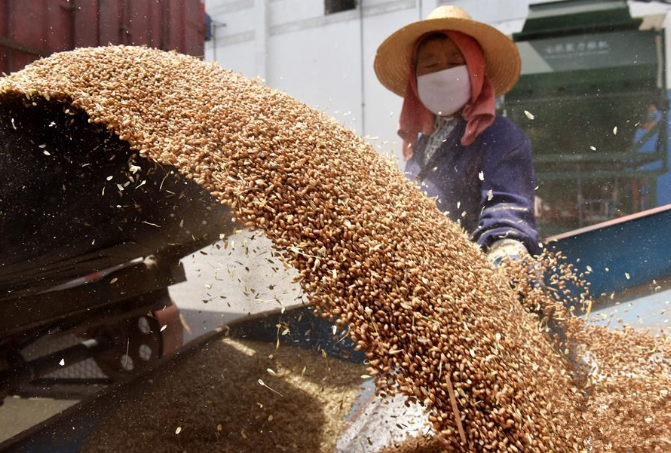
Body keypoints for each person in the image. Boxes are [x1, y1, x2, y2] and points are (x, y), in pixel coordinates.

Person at [374, 6, 540, 265]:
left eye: (454, 63)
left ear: (476, 70)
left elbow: (506, 207)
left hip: (470, 274)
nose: (442, 74)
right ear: (415, 79)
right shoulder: (421, 144)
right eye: (430, 65)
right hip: (423, 274)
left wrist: (505, 248)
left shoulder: (500, 136)